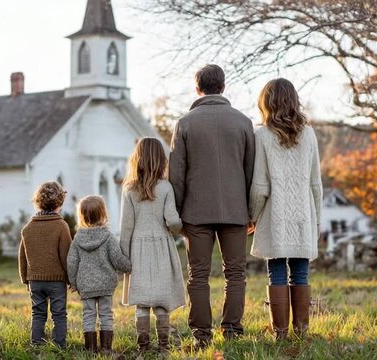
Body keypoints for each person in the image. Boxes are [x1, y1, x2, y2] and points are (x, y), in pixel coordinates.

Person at [169, 64, 256, 349]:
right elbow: (251, 172)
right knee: (235, 273)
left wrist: (177, 214)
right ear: (223, 86)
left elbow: (176, 175)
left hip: (196, 212)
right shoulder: (243, 123)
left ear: (198, 88)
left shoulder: (185, 123)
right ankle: (231, 329)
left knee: (198, 274)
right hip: (235, 210)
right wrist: (250, 211)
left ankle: (201, 334)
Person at [249, 78, 322, 340]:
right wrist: (317, 220)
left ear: (266, 102)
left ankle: (280, 334)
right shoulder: (309, 134)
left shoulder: (262, 135)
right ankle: (301, 332)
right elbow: (316, 184)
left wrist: (252, 215)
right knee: (300, 272)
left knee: (276, 270)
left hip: (274, 217)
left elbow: (259, 185)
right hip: (304, 214)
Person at [119, 137, 186, 353]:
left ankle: (143, 346)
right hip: (161, 247)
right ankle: (164, 346)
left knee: (142, 301)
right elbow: (173, 221)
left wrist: (124, 256)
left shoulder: (129, 189)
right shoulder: (166, 187)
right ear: (161, 160)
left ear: (136, 159)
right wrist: (182, 227)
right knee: (161, 299)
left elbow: (126, 227)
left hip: (137, 251)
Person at [67, 195, 131, 354]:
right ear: (103, 214)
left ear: (81, 216)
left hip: (86, 285)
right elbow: (117, 258)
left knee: (88, 315)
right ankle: (107, 349)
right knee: (106, 314)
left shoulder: (77, 239)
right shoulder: (108, 237)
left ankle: (91, 349)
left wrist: (73, 282)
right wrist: (129, 267)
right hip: (105, 284)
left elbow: (71, 262)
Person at [18, 181, 72, 349]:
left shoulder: (27, 228)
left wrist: (25, 279)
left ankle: (37, 344)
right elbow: (66, 256)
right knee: (59, 314)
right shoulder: (61, 226)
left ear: (38, 202)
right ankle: (59, 345)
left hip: (35, 280)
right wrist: (71, 278)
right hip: (56, 281)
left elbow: (22, 256)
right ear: (60, 203)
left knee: (38, 314)